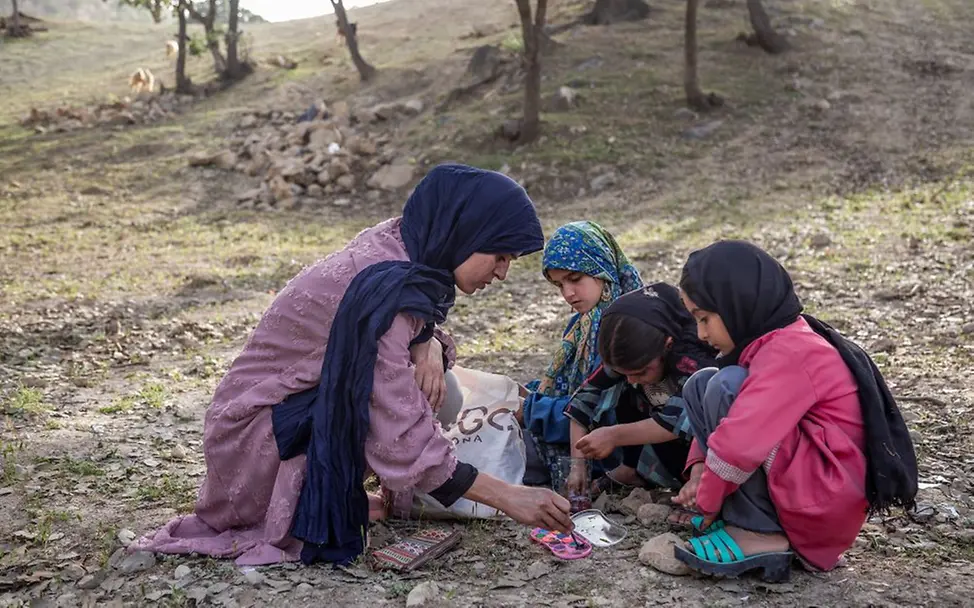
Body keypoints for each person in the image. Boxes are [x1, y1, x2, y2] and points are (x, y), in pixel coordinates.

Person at [131, 164, 574, 567]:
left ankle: (369, 493)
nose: (501, 274)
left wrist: (428, 344)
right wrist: (509, 496)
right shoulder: (385, 283)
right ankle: (290, 504)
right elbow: (400, 428)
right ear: (466, 231)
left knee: (441, 388)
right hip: (251, 437)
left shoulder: (406, 250)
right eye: (500, 256)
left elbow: (394, 338)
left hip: (278, 414)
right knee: (403, 405)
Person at [671, 240, 918, 581]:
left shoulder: (790, 351)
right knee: (702, 383)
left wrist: (707, 503)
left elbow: (738, 442)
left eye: (705, 318)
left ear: (737, 303)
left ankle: (760, 532)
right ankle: (753, 520)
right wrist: (699, 469)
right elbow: (723, 431)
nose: (701, 333)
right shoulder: (774, 340)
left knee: (726, 386)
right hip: (804, 481)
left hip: (823, 501)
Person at [517, 221, 643, 484]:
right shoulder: (583, 324)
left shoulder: (625, 326)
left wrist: (529, 409)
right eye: (559, 284)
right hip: (573, 435)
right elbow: (570, 392)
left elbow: (598, 414)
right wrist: (529, 395)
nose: (568, 293)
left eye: (575, 279)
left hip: (610, 453)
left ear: (601, 268)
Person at [563, 284, 717, 495]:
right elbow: (584, 399)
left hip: (708, 446)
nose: (633, 380)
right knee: (625, 393)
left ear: (668, 345)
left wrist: (614, 435)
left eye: (641, 371)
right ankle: (631, 468)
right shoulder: (629, 353)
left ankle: (697, 486)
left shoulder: (693, 357)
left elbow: (678, 420)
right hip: (667, 434)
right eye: (625, 372)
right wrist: (577, 465)